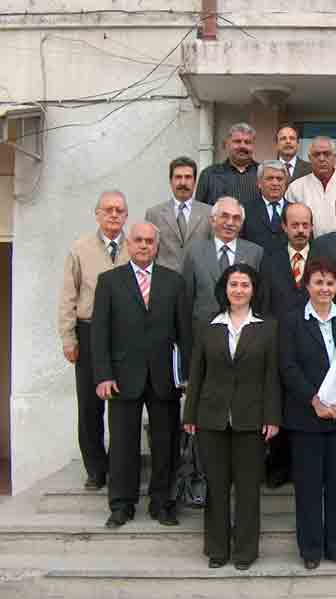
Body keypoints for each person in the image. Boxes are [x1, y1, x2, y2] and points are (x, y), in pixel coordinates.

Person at [91, 222, 191, 529]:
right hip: (122, 376)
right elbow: (100, 333)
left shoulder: (173, 282)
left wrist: (185, 375)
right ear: (128, 245)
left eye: (150, 241)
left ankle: (163, 503)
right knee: (122, 444)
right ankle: (122, 504)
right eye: (138, 240)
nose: (145, 245)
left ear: (157, 246)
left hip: (164, 378)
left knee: (166, 443)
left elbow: (184, 332)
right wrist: (103, 375)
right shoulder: (109, 281)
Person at [183, 263, 281, 570]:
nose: (238, 290)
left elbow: (271, 376)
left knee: (249, 487)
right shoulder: (207, 326)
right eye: (233, 284)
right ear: (224, 289)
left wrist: (272, 417)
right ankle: (217, 549)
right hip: (211, 417)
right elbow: (196, 374)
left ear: (253, 290)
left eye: (245, 285)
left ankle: (245, 552)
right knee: (216, 485)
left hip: (251, 418)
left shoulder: (268, 327)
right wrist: (190, 414)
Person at [279, 257, 336, 570]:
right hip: (307, 417)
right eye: (318, 282)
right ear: (307, 285)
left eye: (330, 283)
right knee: (308, 486)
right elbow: (288, 366)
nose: (324, 288)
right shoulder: (292, 321)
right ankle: (311, 550)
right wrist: (313, 399)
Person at [58, 190, 130, 490]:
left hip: (126, 335)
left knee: (123, 402)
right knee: (90, 405)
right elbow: (67, 296)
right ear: (97, 214)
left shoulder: (135, 246)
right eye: (108, 210)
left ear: (126, 216)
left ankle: (119, 464)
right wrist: (68, 338)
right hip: (88, 333)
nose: (114, 215)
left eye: (119, 210)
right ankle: (96, 468)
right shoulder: (80, 249)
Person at [259, 202, 314, 487]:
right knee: (279, 404)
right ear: (284, 227)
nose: (301, 230)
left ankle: (304, 467)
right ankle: (278, 465)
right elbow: (264, 305)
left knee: (307, 405)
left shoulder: (323, 258)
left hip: (315, 346)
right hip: (280, 344)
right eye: (295, 225)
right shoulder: (269, 260)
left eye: (305, 225)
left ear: (312, 227)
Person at [182, 197, 263, 332]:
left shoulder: (255, 253)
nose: (230, 223)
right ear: (213, 220)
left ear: (242, 224)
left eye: (236, 218)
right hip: (203, 331)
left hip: (244, 333)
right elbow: (187, 298)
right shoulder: (195, 252)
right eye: (224, 216)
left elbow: (259, 296)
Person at [285, 136, 336, 238]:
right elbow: (287, 223)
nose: (322, 158)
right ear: (310, 158)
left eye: (326, 154)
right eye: (316, 154)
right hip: (308, 248)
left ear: (335, 157)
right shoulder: (296, 187)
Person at [145, 157, 212, 272]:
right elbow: (148, 253)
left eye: (188, 177)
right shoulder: (154, 214)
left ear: (195, 181)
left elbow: (212, 252)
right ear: (170, 181)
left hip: (198, 282)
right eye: (178, 177)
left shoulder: (210, 213)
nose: (183, 182)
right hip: (164, 282)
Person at [196, 123, 260, 207]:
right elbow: (199, 212)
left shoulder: (263, 173)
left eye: (247, 142)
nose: (242, 146)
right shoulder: (209, 175)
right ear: (227, 144)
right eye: (237, 141)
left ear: (253, 146)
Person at [240, 160, 292, 255]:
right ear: (259, 183)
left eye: (279, 179)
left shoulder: (295, 211)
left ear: (286, 184)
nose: (275, 183)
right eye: (270, 178)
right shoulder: (245, 210)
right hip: (255, 267)